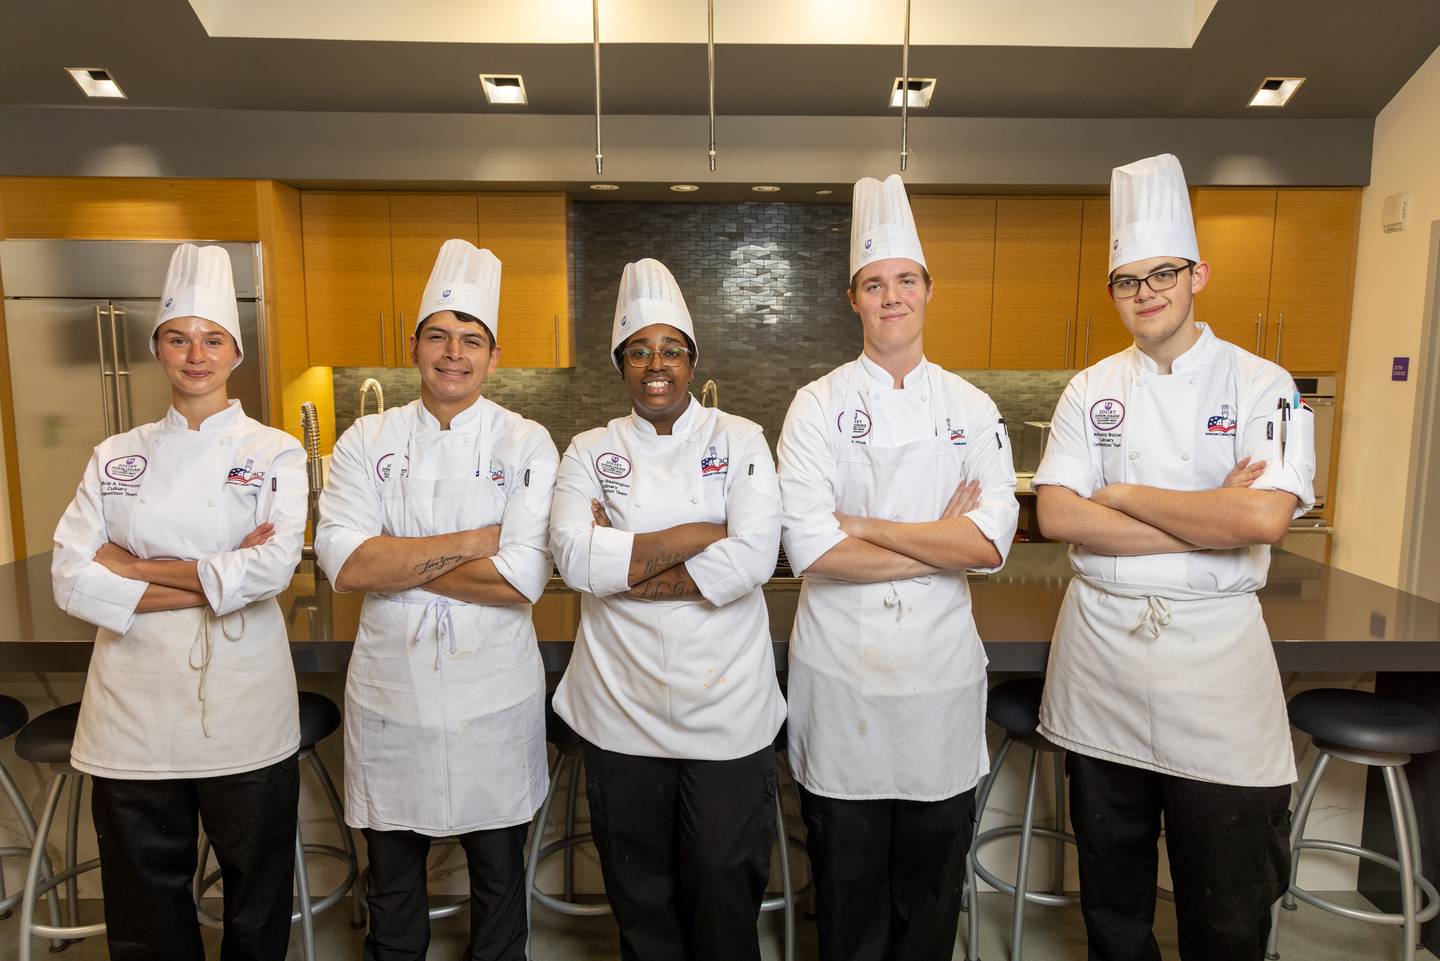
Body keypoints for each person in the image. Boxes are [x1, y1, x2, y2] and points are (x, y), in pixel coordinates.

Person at [1033, 153, 1316, 961]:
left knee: (1226, 910)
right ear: (1114, 292)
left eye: (1163, 273)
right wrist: (1205, 516)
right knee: (1114, 906)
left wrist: (1117, 495)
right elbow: (1056, 512)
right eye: (1128, 280)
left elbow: (1261, 517)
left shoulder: (1265, 383)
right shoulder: (1090, 388)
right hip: (1103, 668)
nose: (1146, 292)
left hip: (1216, 676)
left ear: (1200, 273)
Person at [776, 174, 1019, 961]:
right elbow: (810, 548)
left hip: (939, 686)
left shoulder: (972, 407)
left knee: (931, 889)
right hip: (841, 678)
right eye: (874, 284)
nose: (891, 297)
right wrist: (931, 540)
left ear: (927, 289)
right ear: (854, 298)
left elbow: (986, 546)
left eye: (904, 281)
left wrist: (865, 527)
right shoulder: (814, 405)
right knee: (848, 897)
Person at [51, 243, 306, 961]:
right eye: (179, 338)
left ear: (235, 352)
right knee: (143, 899)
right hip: (130, 709)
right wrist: (211, 574)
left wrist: (131, 569)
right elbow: (71, 578)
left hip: (243, 707)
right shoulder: (115, 455)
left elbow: (273, 566)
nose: (196, 354)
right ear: (158, 348)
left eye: (212, 339)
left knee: (256, 896)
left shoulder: (275, 451)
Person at [315, 238, 558, 961]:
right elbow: (350, 566)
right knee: (391, 882)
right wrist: (477, 539)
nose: (454, 353)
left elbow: (521, 579)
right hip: (396, 693)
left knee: (497, 878)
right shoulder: (366, 438)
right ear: (413, 343)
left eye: (471, 340)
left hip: (493, 693)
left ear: (493, 354)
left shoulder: (526, 440)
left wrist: (401, 558)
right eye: (440, 336)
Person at [548, 258, 787, 961]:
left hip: (728, 711)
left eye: (671, 349)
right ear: (621, 364)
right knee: (639, 894)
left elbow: (752, 560)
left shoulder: (739, 437)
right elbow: (572, 559)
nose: (657, 364)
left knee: (722, 880)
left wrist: (621, 560)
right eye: (640, 350)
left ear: (693, 362)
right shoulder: (590, 448)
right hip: (620, 708)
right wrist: (699, 536)